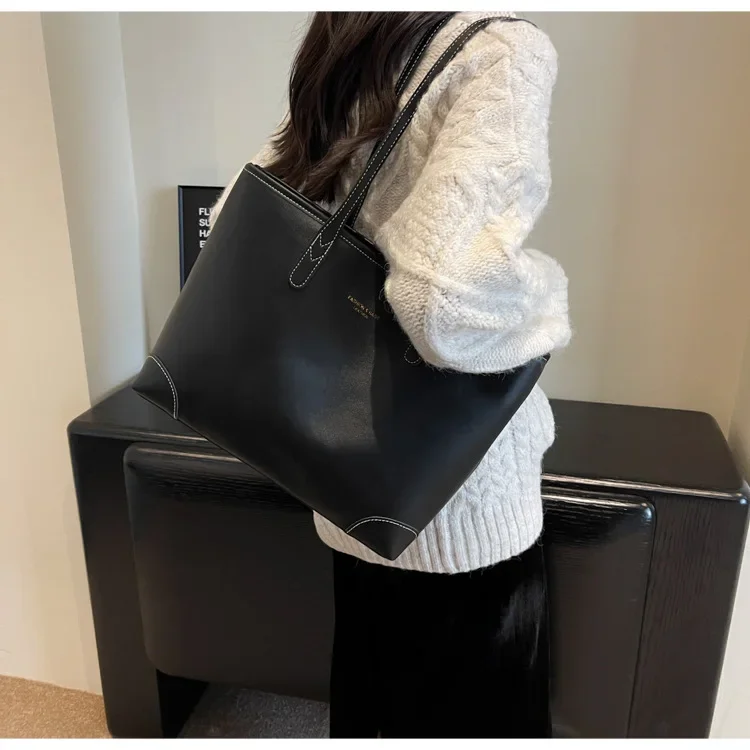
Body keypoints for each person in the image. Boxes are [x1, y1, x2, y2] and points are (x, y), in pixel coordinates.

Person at [210, 10, 571, 739]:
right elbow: (442, 299)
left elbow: (233, 223)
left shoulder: (355, 35)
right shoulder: (505, 50)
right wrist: (550, 295)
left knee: (373, 705)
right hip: (463, 508)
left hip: (348, 483)